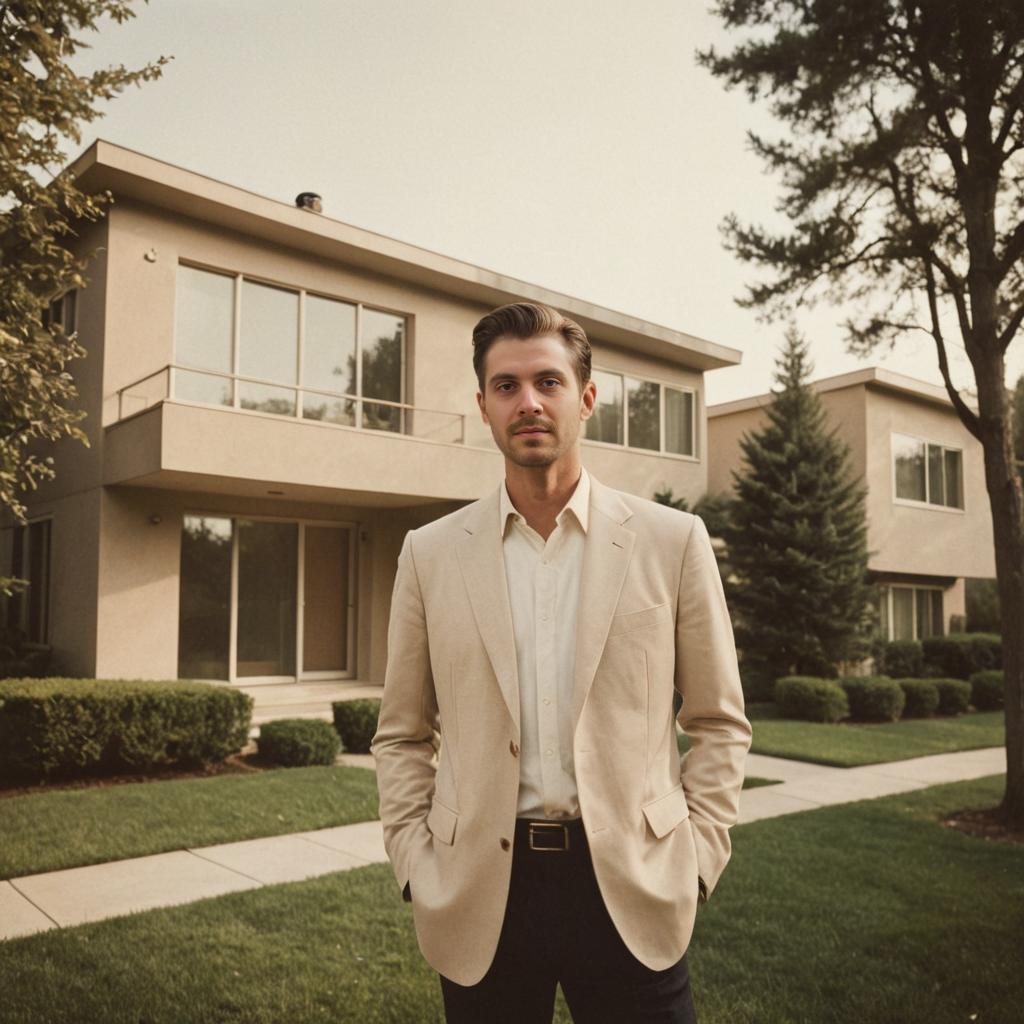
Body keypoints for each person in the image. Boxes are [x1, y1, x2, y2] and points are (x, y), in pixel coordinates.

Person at [371, 301, 752, 1023]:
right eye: (506, 386)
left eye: (547, 381)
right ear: (483, 405)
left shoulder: (673, 542)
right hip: (482, 888)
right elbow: (401, 733)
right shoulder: (430, 553)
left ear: (585, 397)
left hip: (631, 887)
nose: (528, 402)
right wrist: (415, 862)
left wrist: (696, 861)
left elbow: (719, 721)